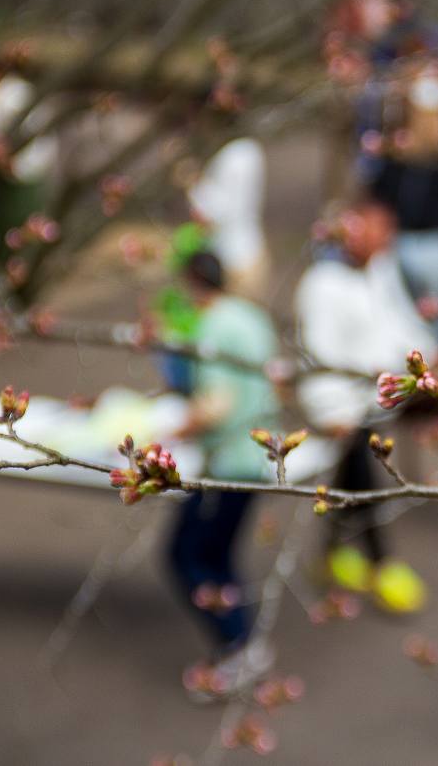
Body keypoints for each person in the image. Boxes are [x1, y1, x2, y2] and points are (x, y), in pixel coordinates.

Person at [295, 199, 436, 613]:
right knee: (363, 479)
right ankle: (382, 563)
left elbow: (400, 320)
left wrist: (425, 354)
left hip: (382, 398)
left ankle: (330, 553)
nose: (385, 241)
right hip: (345, 407)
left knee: (347, 482)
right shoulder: (322, 284)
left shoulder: (381, 268)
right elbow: (316, 352)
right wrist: (331, 411)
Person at [166, 251, 280, 700]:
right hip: (258, 455)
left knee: (186, 555)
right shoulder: (251, 316)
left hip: (230, 463)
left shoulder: (214, 325)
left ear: (193, 281)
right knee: (220, 554)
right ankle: (243, 641)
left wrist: (170, 430)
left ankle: (238, 643)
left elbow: (216, 405)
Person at [369, 57, 438, 350]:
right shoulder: (404, 159)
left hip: (428, 241)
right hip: (418, 240)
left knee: (428, 320)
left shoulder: (433, 160)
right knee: (411, 319)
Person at [186, 137, 271, 300]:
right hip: (249, 248)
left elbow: (223, 210)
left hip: (234, 257)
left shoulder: (235, 157)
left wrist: (193, 186)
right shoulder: (250, 149)